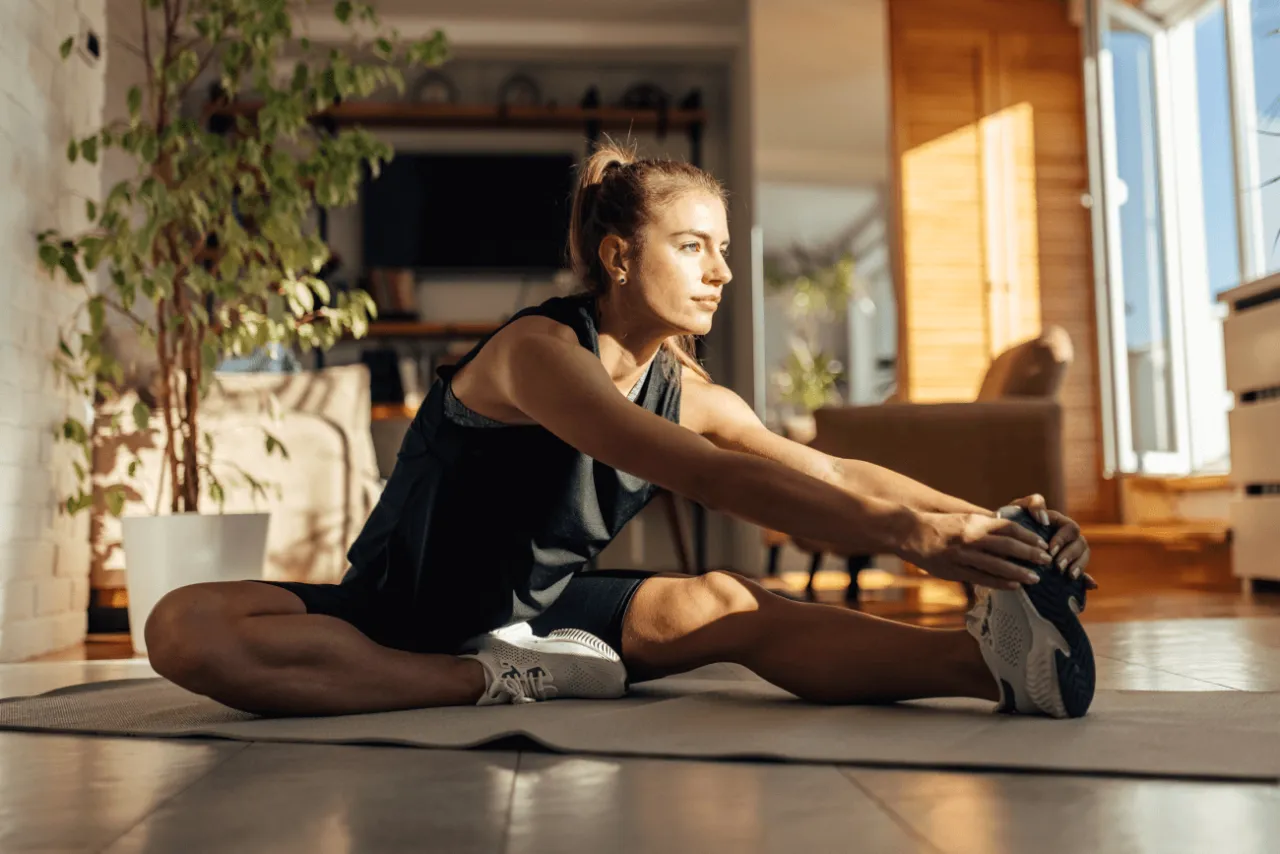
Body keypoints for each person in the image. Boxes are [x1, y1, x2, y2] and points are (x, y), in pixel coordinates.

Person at [146, 142, 1098, 720]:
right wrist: (909, 541)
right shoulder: (537, 353)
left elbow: (834, 469)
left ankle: (991, 670)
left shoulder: (692, 389)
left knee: (728, 601)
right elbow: (684, 468)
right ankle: (485, 685)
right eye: (693, 247)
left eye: (722, 249)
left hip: (550, 621)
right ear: (618, 254)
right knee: (183, 627)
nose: (720, 271)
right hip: (404, 618)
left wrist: (991, 526)